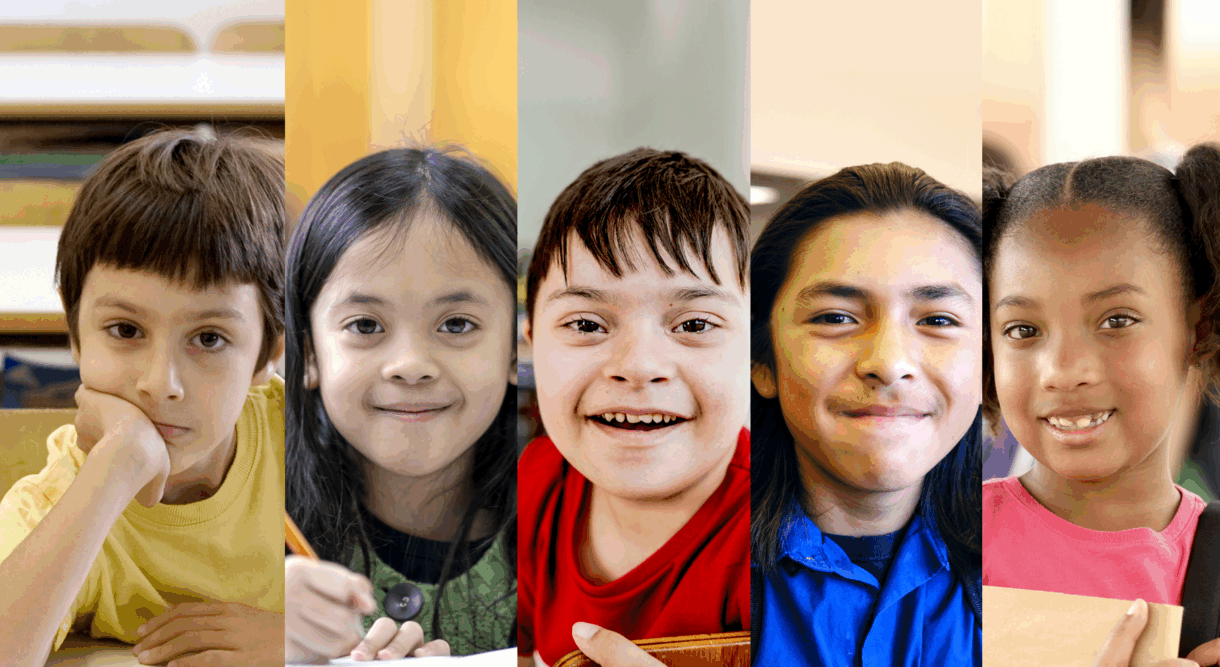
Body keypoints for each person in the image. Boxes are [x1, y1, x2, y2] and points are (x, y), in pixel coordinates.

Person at [984, 143, 1220, 666]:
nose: (1063, 370)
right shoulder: (936, 550)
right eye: (1022, 330)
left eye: (1116, 321)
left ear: (1197, 329)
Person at [0, 128, 288, 667]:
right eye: (126, 331)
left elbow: (456, 617)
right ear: (75, 331)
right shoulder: (65, 495)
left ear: (268, 353)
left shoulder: (319, 448)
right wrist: (115, 468)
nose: (161, 382)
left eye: (208, 339)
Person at [517, 148, 751, 667]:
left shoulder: (787, 544)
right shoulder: (533, 483)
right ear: (531, 345)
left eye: (694, 325)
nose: (639, 365)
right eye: (585, 324)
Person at [284, 148, 517, 661]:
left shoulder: (573, 525)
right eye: (365, 326)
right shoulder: (260, 522)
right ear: (309, 351)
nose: (410, 365)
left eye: (457, 324)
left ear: (514, 347)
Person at [749, 163, 982, 665]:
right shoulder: (690, 581)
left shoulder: (1043, 587)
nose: (889, 363)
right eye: (836, 318)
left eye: (938, 320)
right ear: (762, 361)